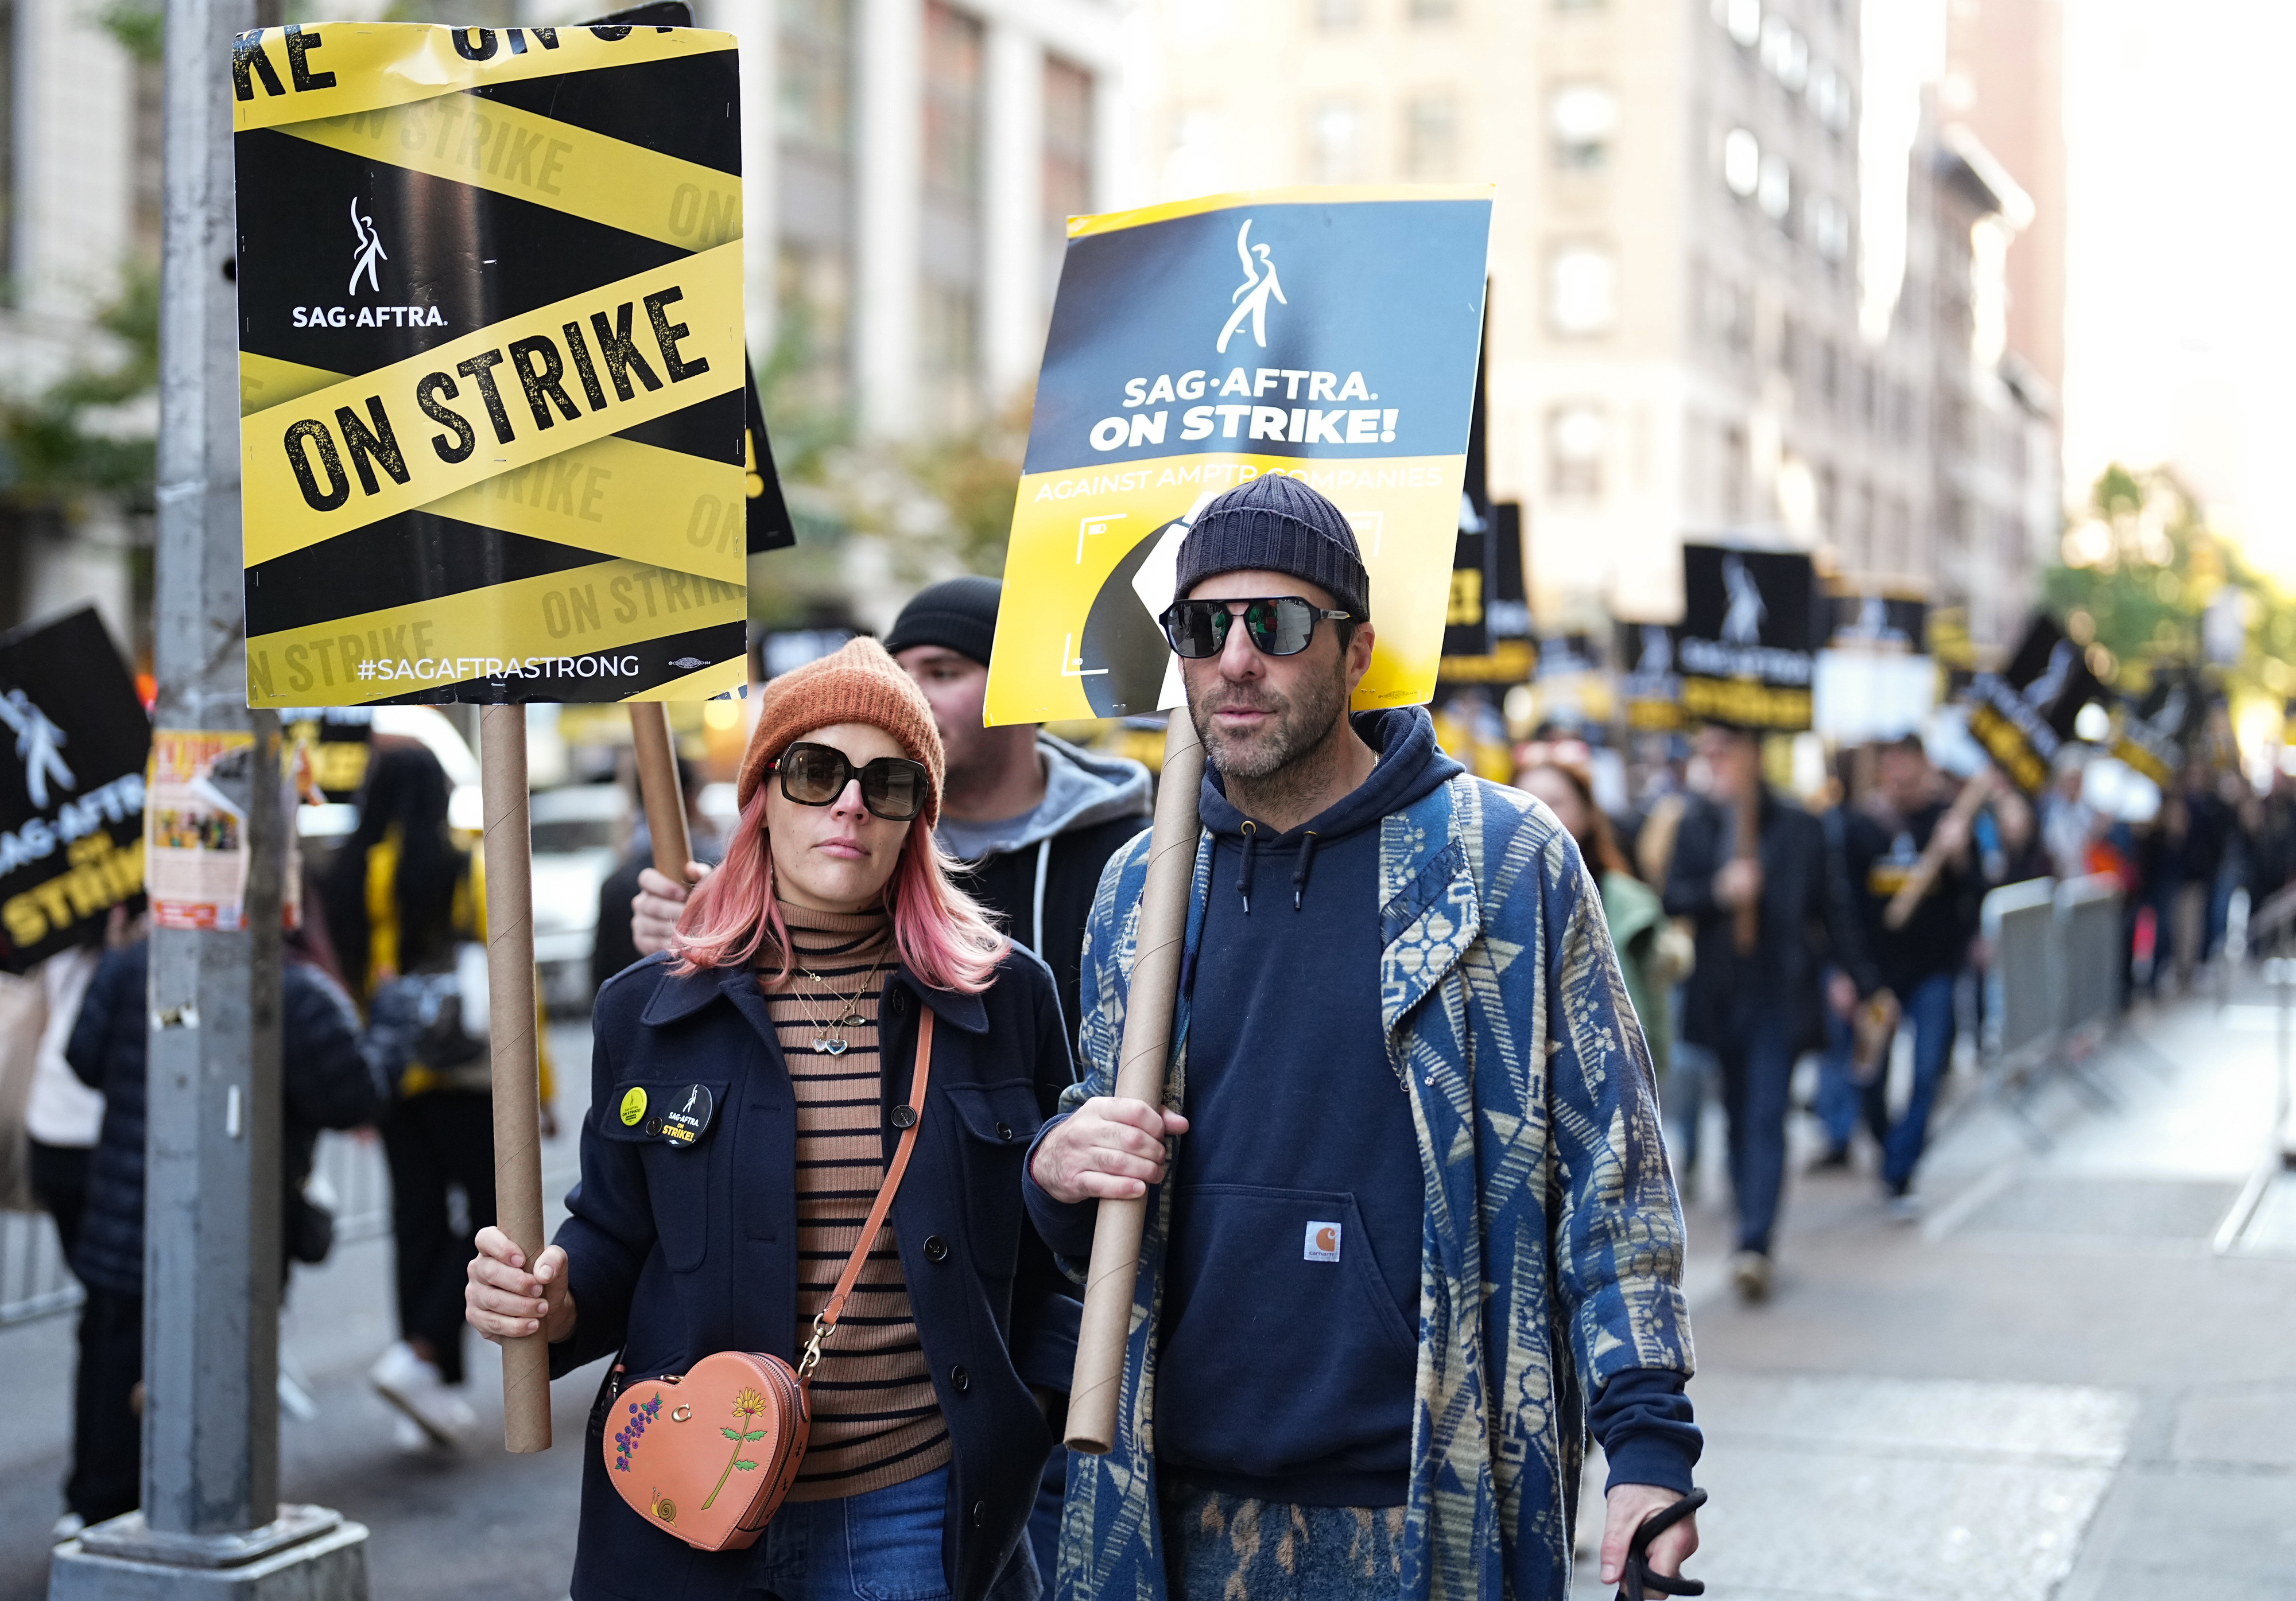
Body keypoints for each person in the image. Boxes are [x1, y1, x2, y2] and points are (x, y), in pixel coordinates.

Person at [1022, 474, 1700, 1601]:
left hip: (1425, 1502)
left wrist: (1648, 1445)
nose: (1235, 657)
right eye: (1202, 627)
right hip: (1169, 1510)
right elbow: (1096, 1172)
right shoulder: (1140, 886)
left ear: (1353, 647)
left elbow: (1611, 1176)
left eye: (1276, 623)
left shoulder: (1502, 862)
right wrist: (1052, 1174)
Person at [464, 638, 1070, 1601]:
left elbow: (1053, 1255)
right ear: (762, 797)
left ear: (919, 816)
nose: (850, 804)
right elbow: (616, 1238)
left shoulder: (1003, 998)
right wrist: (549, 1299)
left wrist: (1030, 1413)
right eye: (816, 770)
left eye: (889, 782)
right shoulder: (652, 1009)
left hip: (915, 1517)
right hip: (688, 1514)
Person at [63, 872, 387, 1529]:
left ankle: (97, 1509)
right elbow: (351, 1093)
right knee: (220, 1374)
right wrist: (396, 1035)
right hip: (237, 1233)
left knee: (112, 1364)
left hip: (126, 1222)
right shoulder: (296, 991)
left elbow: (83, 1058)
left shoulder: (134, 965)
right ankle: (212, 1508)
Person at [324, 739, 552, 1447]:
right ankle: (423, 1352)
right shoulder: (465, 864)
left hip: (390, 1072)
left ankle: (423, 1386)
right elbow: (516, 979)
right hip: (466, 1071)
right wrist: (540, 1085)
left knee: (415, 1219)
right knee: (490, 1213)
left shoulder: (344, 874)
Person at [1664, 722, 1866, 1302]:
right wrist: (1718, 892)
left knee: (1766, 1113)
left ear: (1753, 754)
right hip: (1720, 997)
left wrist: (1857, 979)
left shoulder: (1799, 825)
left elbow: (1831, 909)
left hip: (1778, 994)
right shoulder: (1696, 822)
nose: (1714, 764)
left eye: (1722, 752)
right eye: (1708, 754)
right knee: (1734, 1112)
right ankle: (1745, 1214)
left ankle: (1755, 1241)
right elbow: (1674, 893)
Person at [1519, 755, 1692, 1087]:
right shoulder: (1486, 905)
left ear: (1586, 813)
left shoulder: (1631, 905)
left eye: (1556, 802)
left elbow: (1655, 1016)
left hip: (1613, 1081)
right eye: (1526, 801)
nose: (1540, 814)